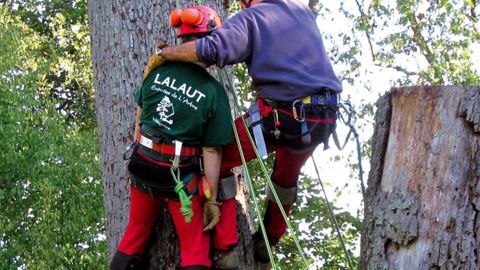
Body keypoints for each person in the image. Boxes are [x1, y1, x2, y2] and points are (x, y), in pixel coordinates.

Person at [144, 0, 343, 268]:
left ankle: (227, 251)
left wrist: (166, 54)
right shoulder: (302, 13)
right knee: (285, 178)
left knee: (219, 156)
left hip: (283, 117)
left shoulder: (253, 17)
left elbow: (212, 49)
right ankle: (267, 243)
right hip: (322, 118)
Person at [110, 5, 239, 270]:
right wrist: (212, 199)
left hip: (142, 167)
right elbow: (212, 152)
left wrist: (140, 156)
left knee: (134, 234)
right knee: (195, 250)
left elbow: (140, 118)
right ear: (208, 42)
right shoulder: (213, 92)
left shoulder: (155, 72)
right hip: (180, 179)